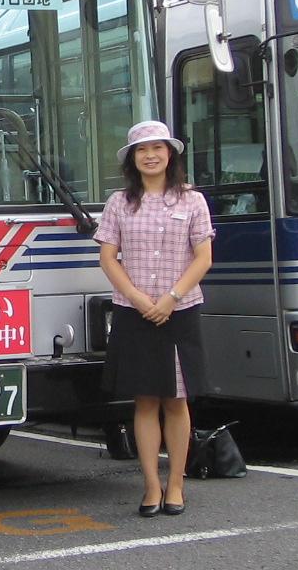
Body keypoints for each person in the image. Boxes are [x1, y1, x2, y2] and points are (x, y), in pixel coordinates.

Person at [94, 121, 214, 518]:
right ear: (132, 159)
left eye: (158, 148)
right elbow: (108, 257)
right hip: (134, 311)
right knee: (144, 401)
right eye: (142, 150)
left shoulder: (192, 201)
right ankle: (150, 486)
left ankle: (176, 485)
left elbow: (203, 257)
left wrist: (171, 298)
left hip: (180, 309)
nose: (150, 155)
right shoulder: (119, 203)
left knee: (176, 400)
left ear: (170, 154)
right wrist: (137, 297)